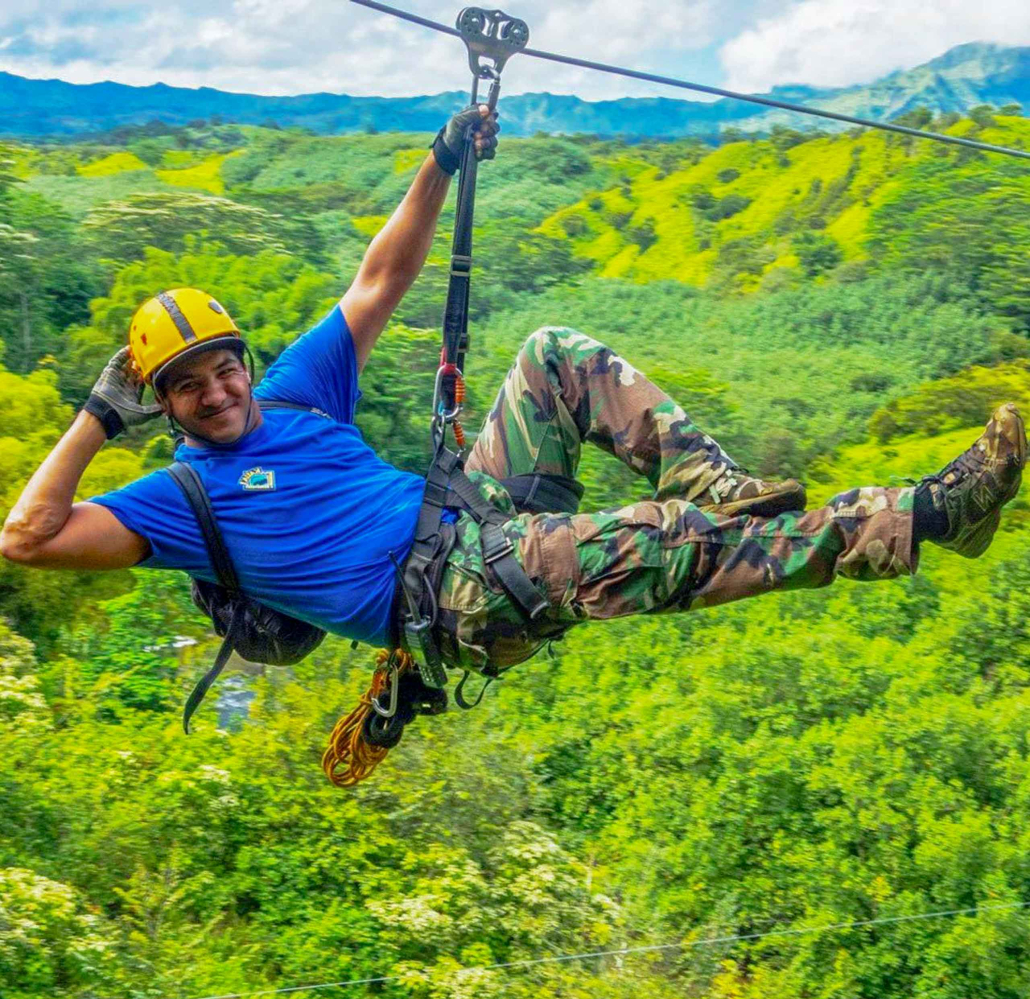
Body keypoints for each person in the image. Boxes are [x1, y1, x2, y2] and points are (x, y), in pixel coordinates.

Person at [2, 105, 1026, 691]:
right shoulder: (178, 502)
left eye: (223, 367)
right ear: (167, 408)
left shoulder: (295, 392)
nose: (220, 392)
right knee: (660, 543)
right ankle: (928, 517)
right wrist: (100, 415)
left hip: (470, 517)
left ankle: (713, 480)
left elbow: (378, 279)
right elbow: (27, 537)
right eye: (190, 387)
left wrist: (440, 162)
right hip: (449, 598)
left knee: (551, 351)